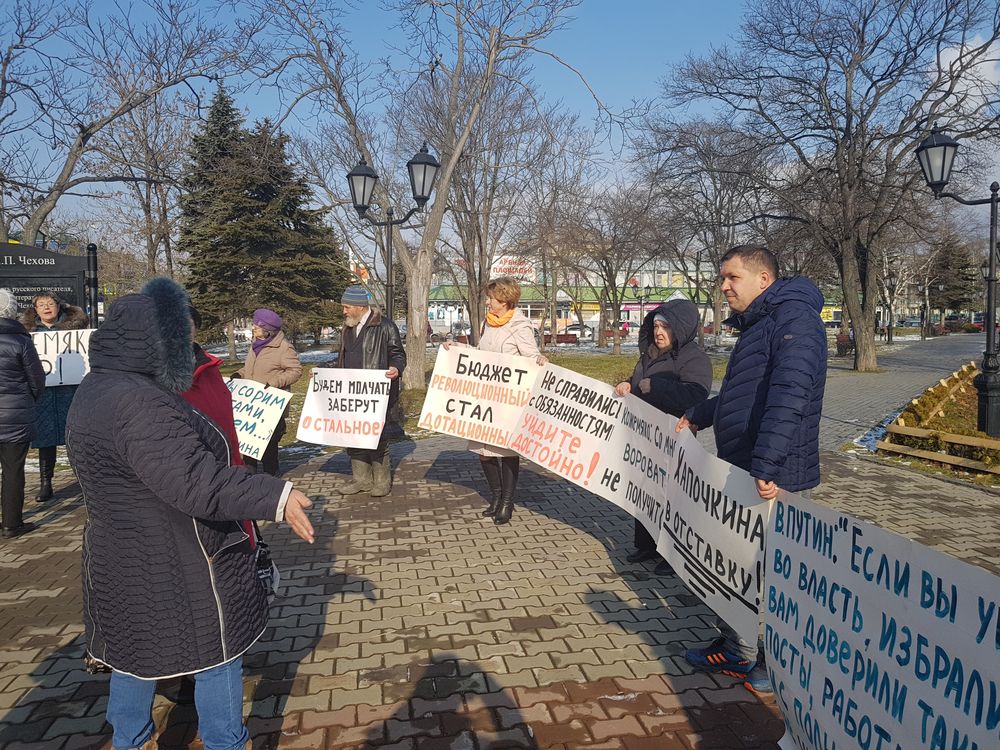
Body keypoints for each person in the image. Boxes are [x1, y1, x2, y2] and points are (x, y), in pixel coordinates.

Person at [65, 277, 315, 750]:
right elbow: (196, 482)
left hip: (120, 554)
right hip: (178, 554)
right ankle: (225, 742)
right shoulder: (139, 402)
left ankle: (130, 739)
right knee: (216, 654)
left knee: (133, 656)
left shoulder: (97, 386)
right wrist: (275, 496)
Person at [676, 245, 827, 694]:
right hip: (747, 466)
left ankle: (775, 662)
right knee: (736, 562)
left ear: (764, 279)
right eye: (722, 278)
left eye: (732, 277)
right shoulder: (760, 323)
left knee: (778, 573)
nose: (724, 287)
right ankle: (736, 646)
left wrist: (768, 464)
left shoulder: (795, 320)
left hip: (776, 474)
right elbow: (745, 395)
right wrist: (701, 413)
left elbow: (790, 395)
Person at [614, 299, 712, 573]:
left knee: (673, 497)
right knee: (646, 490)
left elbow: (696, 395)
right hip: (646, 438)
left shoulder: (693, 358)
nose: (659, 332)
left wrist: (656, 387)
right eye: (656, 326)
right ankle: (646, 544)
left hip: (675, 438)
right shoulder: (650, 354)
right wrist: (628, 384)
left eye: (665, 327)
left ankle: (673, 553)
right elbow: (640, 383)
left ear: (680, 328)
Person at [450, 278, 546, 525]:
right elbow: (481, 355)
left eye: (491, 298)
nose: (488, 302)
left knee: (505, 451)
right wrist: (457, 349)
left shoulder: (520, 326)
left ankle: (507, 502)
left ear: (504, 300)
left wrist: (540, 361)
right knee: (484, 452)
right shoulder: (488, 323)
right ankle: (495, 497)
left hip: (508, 400)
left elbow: (530, 356)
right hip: (485, 397)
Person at [336, 285, 406, 497]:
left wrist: (396, 368)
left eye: (347, 307)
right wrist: (322, 373)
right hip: (350, 395)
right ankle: (361, 480)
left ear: (359, 307)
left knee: (376, 438)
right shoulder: (347, 328)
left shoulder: (385, 326)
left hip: (375, 395)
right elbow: (342, 358)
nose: (344, 311)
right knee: (353, 436)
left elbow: (398, 354)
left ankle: (382, 481)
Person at [19, 290, 89, 502]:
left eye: (50, 303)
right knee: (45, 439)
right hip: (44, 394)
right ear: (35, 310)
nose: (46, 308)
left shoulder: (75, 328)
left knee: (75, 438)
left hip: (71, 392)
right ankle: (46, 483)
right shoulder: (27, 333)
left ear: (58, 306)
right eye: (41, 305)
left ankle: (86, 481)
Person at [0, 289, 46, 539]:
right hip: (15, 417)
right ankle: (12, 524)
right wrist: (30, 400)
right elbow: (36, 379)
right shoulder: (21, 341)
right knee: (13, 470)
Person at [234, 308, 302, 476]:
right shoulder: (255, 345)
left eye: (257, 326)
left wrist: (273, 383)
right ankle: (250, 475)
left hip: (270, 405)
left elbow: (295, 371)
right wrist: (240, 374)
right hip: (251, 404)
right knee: (249, 441)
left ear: (267, 330)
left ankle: (271, 475)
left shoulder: (283, 348)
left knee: (268, 444)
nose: (253, 328)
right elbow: (251, 368)